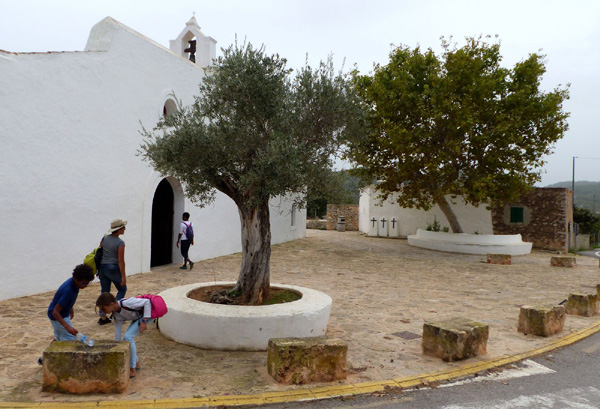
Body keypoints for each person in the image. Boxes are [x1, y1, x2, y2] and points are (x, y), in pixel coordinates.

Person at [96, 292, 154, 378]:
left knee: (128, 337)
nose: (102, 311)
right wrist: (116, 347)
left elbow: (147, 302)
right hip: (138, 317)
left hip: (148, 315)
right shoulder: (116, 315)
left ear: (111, 304)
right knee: (125, 340)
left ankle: (132, 369)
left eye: (103, 308)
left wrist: (144, 321)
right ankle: (136, 363)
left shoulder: (127, 303)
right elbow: (118, 333)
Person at [47, 264, 95, 341]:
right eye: (83, 283)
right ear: (75, 278)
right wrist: (67, 327)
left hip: (63, 314)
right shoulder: (68, 290)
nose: (85, 286)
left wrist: (70, 309)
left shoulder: (75, 284)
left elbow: (68, 301)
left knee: (61, 336)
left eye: (87, 283)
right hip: (58, 316)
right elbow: (55, 312)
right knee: (70, 339)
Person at [97, 219, 127, 325]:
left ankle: (102, 316)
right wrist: (123, 276)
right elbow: (121, 261)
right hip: (112, 268)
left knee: (105, 292)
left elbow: (99, 251)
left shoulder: (104, 238)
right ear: (119, 229)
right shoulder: (120, 243)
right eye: (123, 227)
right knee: (122, 289)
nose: (125, 229)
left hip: (102, 268)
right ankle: (115, 312)